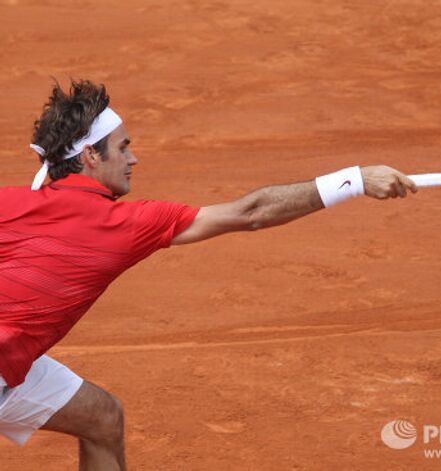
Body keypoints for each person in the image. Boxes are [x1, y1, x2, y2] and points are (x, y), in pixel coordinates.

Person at [0, 79, 417, 470]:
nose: (133, 159)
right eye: (123, 148)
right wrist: (355, 180)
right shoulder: (126, 223)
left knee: (101, 418)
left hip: (11, 362)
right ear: (91, 155)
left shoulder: (10, 202)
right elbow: (250, 213)